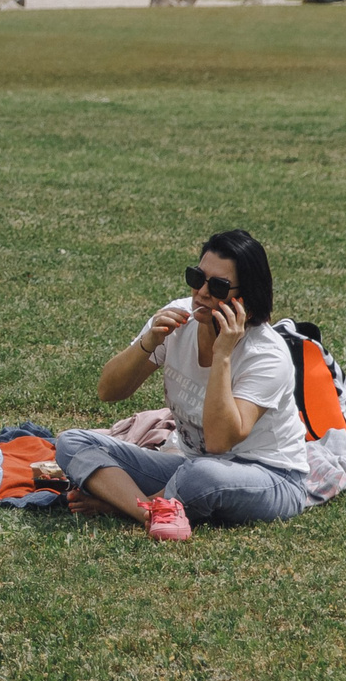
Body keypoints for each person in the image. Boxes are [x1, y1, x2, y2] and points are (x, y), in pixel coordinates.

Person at [53, 230, 311, 539]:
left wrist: (222, 354)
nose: (201, 292)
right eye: (196, 277)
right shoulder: (179, 319)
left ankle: (128, 503)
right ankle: (147, 512)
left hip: (271, 477)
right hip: (190, 464)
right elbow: (109, 391)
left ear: (245, 301)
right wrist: (148, 344)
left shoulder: (266, 354)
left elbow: (219, 443)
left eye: (217, 286)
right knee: (72, 442)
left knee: (199, 476)